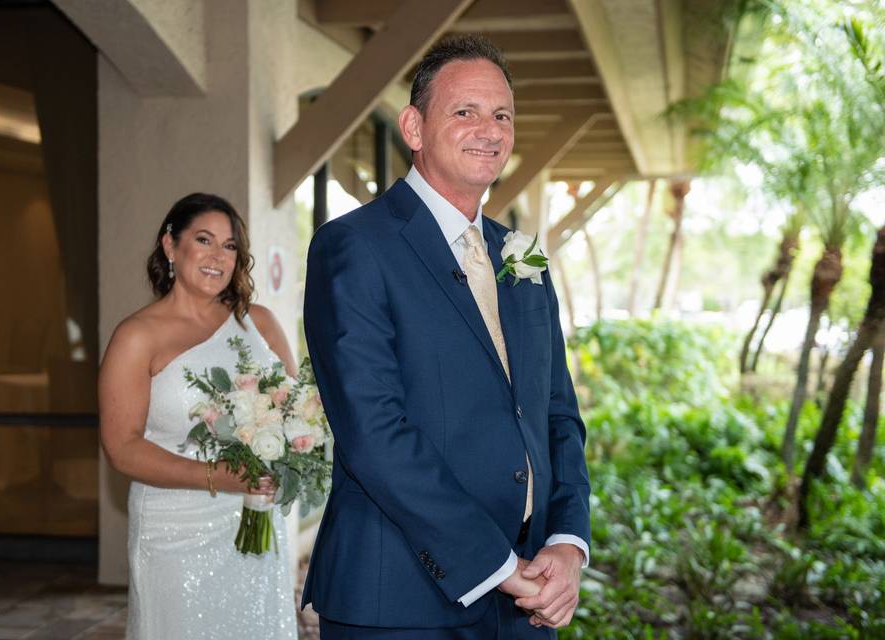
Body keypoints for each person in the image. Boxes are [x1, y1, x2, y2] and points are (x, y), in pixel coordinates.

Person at [302, 35, 591, 638]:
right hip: (401, 597)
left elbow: (557, 414)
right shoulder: (354, 247)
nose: (489, 129)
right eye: (466, 111)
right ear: (413, 126)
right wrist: (492, 562)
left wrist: (567, 542)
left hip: (526, 599)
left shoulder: (523, 257)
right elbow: (373, 432)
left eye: (502, 115)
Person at [99, 193, 298, 640]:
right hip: (174, 529)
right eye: (204, 240)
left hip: (256, 517)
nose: (218, 256)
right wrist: (216, 475)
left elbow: (296, 408)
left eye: (229, 246)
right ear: (170, 246)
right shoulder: (137, 336)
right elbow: (121, 446)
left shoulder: (259, 323)